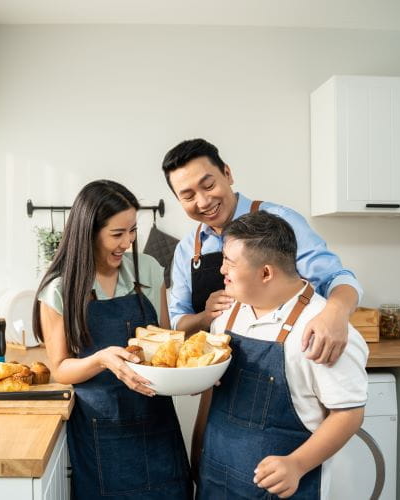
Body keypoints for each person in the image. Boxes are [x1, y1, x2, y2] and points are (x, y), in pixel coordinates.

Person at [33, 180, 192, 500]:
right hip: (101, 430)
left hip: (155, 421)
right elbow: (62, 369)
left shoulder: (147, 269)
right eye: (117, 234)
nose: (129, 241)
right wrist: (101, 358)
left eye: (132, 230)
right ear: (88, 232)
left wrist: (192, 370)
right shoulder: (59, 290)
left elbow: (162, 344)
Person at [199, 211, 368, 499]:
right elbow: (211, 396)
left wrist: (297, 464)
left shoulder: (325, 330)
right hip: (215, 477)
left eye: (230, 262)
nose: (221, 271)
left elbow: (348, 414)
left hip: (283, 488)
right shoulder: (226, 316)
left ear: (265, 272)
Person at [163, 138, 363, 363]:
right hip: (216, 375)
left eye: (208, 186)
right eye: (188, 196)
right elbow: (177, 324)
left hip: (288, 362)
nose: (203, 201)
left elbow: (336, 278)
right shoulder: (187, 249)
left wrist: (336, 314)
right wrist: (205, 317)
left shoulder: (281, 221)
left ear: (227, 174)